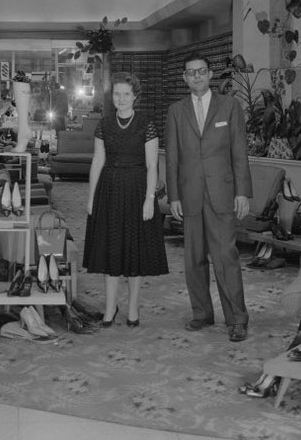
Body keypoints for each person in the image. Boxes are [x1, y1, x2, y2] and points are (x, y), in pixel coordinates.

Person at [164, 55, 253, 342]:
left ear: (210, 74)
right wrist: (173, 195)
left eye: (201, 71)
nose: (197, 76)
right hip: (189, 195)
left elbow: (239, 153)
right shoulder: (176, 111)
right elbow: (173, 157)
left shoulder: (229, 106)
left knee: (226, 258)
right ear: (184, 78)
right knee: (193, 260)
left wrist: (242, 192)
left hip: (222, 194)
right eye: (191, 73)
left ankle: (237, 319)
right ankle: (201, 313)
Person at [82, 72, 168, 326]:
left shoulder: (146, 124)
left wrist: (149, 199)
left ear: (135, 97)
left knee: (134, 252)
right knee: (111, 251)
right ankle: (110, 309)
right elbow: (98, 161)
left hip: (137, 190)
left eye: (126, 94)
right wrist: (90, 197)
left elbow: (152, 166)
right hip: (108, 190)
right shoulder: (104, 124)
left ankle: (132, 309)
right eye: (117, 94)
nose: (120, 98)